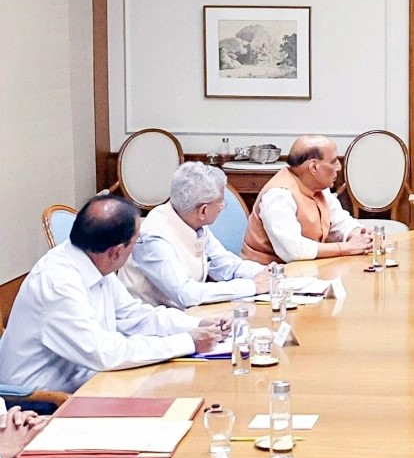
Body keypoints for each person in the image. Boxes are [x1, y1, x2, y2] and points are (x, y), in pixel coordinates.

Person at [0, 195, 228, 394]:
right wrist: (188, 342)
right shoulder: (57, 283)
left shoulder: (94, 258)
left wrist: (197, 324)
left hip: (91, 381)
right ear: (116, 252)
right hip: (41, 402)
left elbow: (134, 316)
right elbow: (104, 352)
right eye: (135, 242)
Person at [118, 162, 269, 308]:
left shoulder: (193, 223)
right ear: (203, 210)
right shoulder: (153, 237)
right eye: (221, 202)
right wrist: (251, 286)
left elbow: (225, 265)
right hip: (153, 320)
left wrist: (267, 273)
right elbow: (185, 294)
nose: (222, 207)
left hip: (187, 315)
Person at [241, 135, 374, 264]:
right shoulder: (278, 195)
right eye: (333, 162)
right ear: (314, 167)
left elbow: (341, 223)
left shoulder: (319, 189)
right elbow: (294, 251)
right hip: (266, 273)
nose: (339, 167)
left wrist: (360, 236)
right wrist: (346, 248)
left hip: (306, 268)